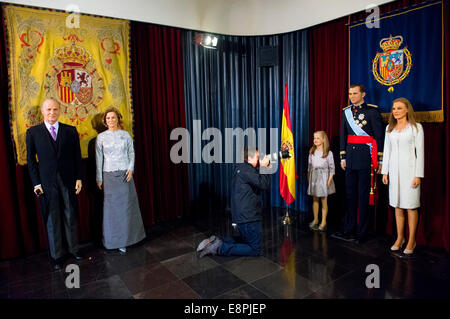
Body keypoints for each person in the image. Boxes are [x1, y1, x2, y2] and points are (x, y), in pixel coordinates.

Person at [26, 98, 84, 270]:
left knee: (69, 214)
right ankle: (57, 255)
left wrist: (79, 178)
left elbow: (77, 157)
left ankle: (74, 249)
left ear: (60, 111)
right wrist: (36, 183)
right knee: (53, 218)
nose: (52, 113)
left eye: (55, 109)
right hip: (46, 182)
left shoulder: (70, 131)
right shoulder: (33, 133)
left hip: (68, 180)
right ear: (43, 112)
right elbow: (31, 161)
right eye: (49, 109)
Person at [196, 147, 271, 258]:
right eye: (257, 156)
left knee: (245, 239)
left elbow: (256, 179)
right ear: (249, 158)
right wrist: (265, 168)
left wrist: (265, 167)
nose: (260, 159)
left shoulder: (241, 168)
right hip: (248, 217)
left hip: (241, 216)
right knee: (255, 249)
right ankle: (219, 248)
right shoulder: (247, 170)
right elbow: (263, 184)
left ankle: (216, 240)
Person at [334, 84, 384, 243]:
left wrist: (380, 159)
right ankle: (349, 229)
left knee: (363, 197)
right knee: (349, 196)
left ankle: (362, 232)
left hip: (365, 159)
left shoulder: (372, 111)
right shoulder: (346, 112)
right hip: (350, 158)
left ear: (363, 94)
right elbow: (343, 135)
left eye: (355, 93)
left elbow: (379, 137)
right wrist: (343, 157)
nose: (352, 96)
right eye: (350, 93)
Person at [95, 107, 146, 253]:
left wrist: (131, 168)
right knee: (112, 210)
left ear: (118, 119)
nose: (111, 120)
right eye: (108, 118)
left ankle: (130, 239)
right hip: (109, 176)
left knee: (127, 208)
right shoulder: (101, 137)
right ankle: (114, 241)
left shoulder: (125, 135)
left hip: (125, 174)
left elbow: (131, 152)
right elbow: (99, 159)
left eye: (113, 117)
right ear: (105, 121)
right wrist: (99, 178)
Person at [381, 98, 424, 256]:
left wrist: (418, 175)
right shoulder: (389, 129)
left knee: (411, 206)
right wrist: (385, 172)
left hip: (410, 173)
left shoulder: (416, 128)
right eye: (393, 108)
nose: (396, 111)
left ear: (407, 110)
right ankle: (400, 238)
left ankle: (412, 239)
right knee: (397, 206)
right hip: (394, 173)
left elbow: (420, 154)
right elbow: (387, 152)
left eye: (399, 108)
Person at [307, 131, 335, 232]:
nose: (315, 140)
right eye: (314, 138)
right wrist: (309, 177)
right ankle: (315, 219)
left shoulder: (328, 153)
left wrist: (328, 181)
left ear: (323, 139)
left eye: (318, 138)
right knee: (315, 200)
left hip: (324, 178)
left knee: (324, 200)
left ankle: (323, 221)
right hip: (314, 177)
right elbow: (309, 167)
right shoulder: (312, 152)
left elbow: (332, 169)